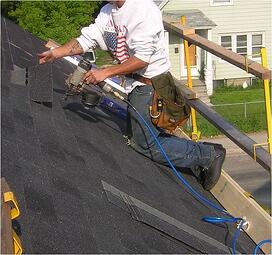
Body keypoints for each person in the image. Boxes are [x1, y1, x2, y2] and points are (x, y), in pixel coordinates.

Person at [38, 0, 226, 190]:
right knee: (141, 134)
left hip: (151, 87)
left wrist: (106, 72)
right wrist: (57, 53)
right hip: (135, 85)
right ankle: (197, 157)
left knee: (145, 144)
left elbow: (143, 59)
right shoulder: (108, 11)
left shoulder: (143, 9)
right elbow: (87, 39)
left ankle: (208, 155)